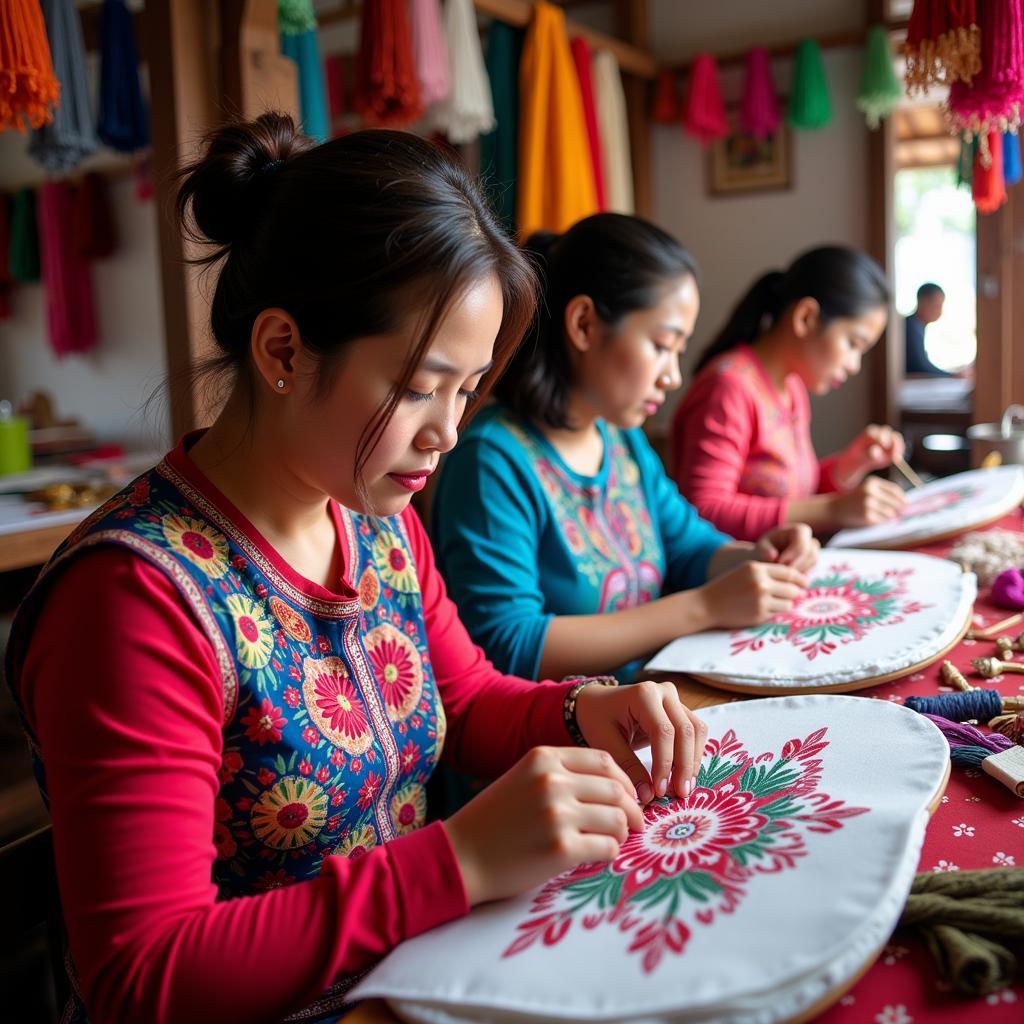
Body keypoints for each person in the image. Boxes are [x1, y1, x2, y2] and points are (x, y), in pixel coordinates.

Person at [4, 116, 709, 1024]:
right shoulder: (136, 601)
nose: (447, 432)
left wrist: (581, 708)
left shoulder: (377, 523)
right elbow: (147, 976)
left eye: (465, 391)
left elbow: (466, 701)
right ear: (284, 352)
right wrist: (457, 862)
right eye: (419, 388)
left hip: (419, 979)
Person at [431, 213, 818, 685]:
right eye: (661, 345)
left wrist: (758, 556)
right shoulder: (492, 459)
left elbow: (688, 545)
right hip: (558, 739)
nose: (673, 376)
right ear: (584, 324)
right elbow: (509, 643)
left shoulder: (618, 438)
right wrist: (703, 607)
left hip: (651, 701)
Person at [672, 246, 907, 542]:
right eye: (853, 344)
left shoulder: (792, 387)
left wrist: (849, 465)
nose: (853, 365)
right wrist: (834, 509)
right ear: (806, 317)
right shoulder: (728, 387)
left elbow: (796, 498)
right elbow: (704, 510)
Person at [904, 282, 950, 376]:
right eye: (937, 306)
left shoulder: (917, 326)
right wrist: (952, 376)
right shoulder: (910, 327)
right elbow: (919, 366)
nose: (940, 311)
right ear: (923, 302)